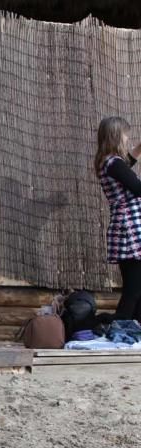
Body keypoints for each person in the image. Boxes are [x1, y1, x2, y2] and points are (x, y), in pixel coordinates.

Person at [95, 116, 141, 321]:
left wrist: (139, 148)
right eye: (125, 134)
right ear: (116, 136)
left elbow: (126, 167)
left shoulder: (109, 162)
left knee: (137, 287)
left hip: (127, 227)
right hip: (129, 229)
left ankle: (134, 328)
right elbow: (137, 188)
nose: (127, 138)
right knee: (133, 289)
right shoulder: (113, 163)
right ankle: (117, 327)